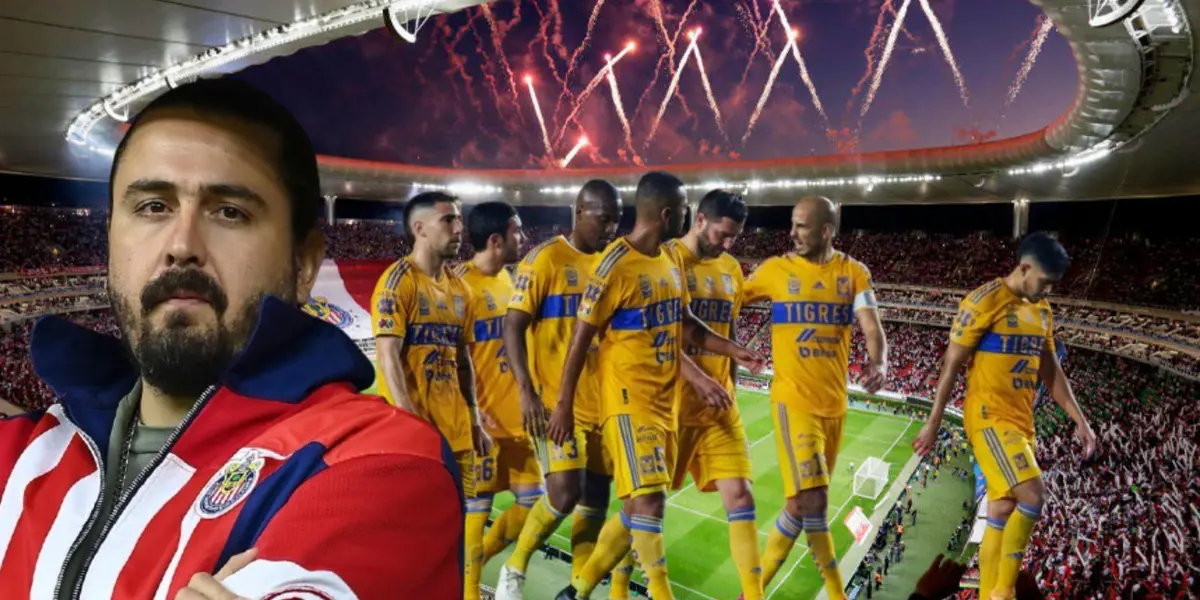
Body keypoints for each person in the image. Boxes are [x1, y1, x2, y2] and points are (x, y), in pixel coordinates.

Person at [0, 78, 463, 599]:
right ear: (111, 241)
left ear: (305, 262)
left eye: (229, 212)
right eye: (153, 206)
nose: (181, 245)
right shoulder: (20, 457)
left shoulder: (381, 466)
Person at [550, 171, 766, 600]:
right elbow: (581, 338)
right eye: (684, 210)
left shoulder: (669, 262)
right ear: (670, 213)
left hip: (668, 404)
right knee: (648, 505)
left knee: (646, 508)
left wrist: (732, 350)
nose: (686, 217)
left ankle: (576, 590)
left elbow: (685, 324)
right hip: (630, 403)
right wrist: (563, 405)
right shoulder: (615, 263)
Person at [913, 232, 1097, 600]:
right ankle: (1002, 592)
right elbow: (951, 365)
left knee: (1001, 507)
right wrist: (934, 422)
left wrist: (1080, 419)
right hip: (987, 418)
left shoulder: (1042, 311)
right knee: (1033, 495)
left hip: (1020, 423)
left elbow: (1050, 371)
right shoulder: (983, 301)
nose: (1047, 292)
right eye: (1044, 282)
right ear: (1024, 267)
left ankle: (986, 592)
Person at [743, 196, 888, 599]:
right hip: (793, 402)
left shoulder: (854, 274)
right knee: (816, 500)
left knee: (798, 506)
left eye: (802, 226)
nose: (792, 233)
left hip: (834, 408)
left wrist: (879, 364)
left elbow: (871, 325)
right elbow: (729, 300)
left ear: (827, 230)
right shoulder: (775, 271)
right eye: (792, 224)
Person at [495, 180, 623, 600]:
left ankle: (578, 590)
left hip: (603, 403)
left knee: (595, 502)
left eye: (617, 220)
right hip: (555, 401)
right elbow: (512, 325)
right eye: (604, 219)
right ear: (580, 212)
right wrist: (527, 392)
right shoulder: (546, 259)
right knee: (564, 492)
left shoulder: (611, 264)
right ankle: (515, 568)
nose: (611, 228)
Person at [663, 190, 762, 598]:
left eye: (734, 238)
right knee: (645, 507)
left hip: (719, 407)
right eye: (723, 234)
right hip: (669, 406)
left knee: (741, 496)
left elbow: (730, 329)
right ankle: (613, 584)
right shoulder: (666, 259)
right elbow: (658, 334)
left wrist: (732, 380)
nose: (727, 244)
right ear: (699, 219)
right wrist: (697, 379)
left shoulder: (731, 269)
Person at [371, 191, 492, 503]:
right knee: (418, 530)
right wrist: (409, 422)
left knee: (458, 530)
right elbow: (387, 356)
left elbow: (463, 361)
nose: (458, 228)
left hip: (459, 435)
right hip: (415, 436)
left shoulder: (461, 290)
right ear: (420, 228)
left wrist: (475, 421)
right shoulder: (399, 281)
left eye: (459, 220)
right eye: (448, 220)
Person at [453, 201, 542, 600]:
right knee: (478, 512)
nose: (522, 238)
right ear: (495, 239)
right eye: (517, 231)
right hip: (484, 429)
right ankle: (469, 592)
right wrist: (469, 414)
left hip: (520, 423)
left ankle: (476, 568)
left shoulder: (512, 282)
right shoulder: (458, 287)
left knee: (534, 506)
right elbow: (448, 360)